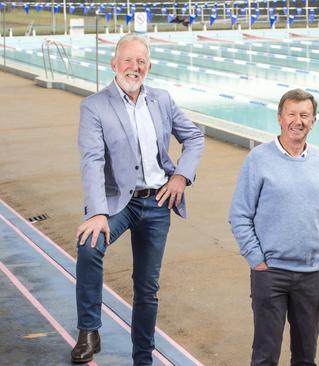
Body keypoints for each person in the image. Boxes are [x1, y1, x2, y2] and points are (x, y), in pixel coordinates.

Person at [72, 34, 204, 365]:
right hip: (119, 203)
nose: (135, 67)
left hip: (157, 203)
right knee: (89, 246)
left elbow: (194, 137)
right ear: (114, 64)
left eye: (141, 62)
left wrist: (180, 177)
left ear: (149, 67)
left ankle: (142, 357)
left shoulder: (162, 100)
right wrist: (97, 212)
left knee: (146, 288)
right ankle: (89, 330)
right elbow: (92, 161)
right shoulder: (94, 106)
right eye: (128, 61)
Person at [228, 88, 319, 366]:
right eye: (291, 114)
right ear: (280, 118)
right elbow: (239, 214)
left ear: (313, 121)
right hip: (271, 273)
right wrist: (257, 259)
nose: (297, 121)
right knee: (265, 355)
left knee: (305, 356)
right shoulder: (259, 159)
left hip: (311, 275)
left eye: (304, 115)